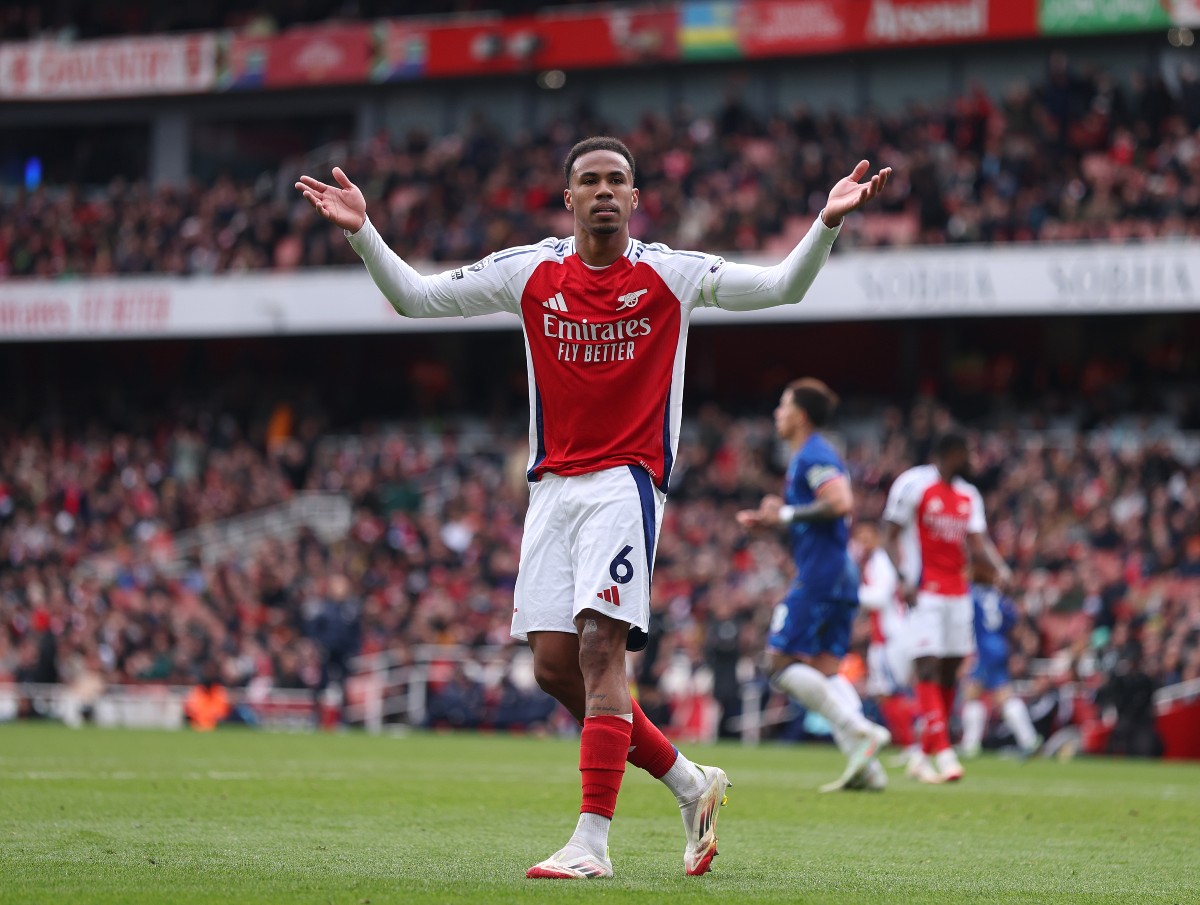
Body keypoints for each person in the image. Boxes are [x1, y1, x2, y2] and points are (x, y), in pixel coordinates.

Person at [297, 137, 890, 879]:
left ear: (636, 199)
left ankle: (592, 842)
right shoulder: (529, 270)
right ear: (569, 197)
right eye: (590, 181)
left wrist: (827, 223)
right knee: (553, 668)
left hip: (626, 482)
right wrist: (362, 231)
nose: (604, 191)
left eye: (618, 181)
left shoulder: (669, 273)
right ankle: (688, 781)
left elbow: (781, 288)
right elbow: (414, 299)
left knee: (599, 650)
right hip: (552, 488)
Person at [737, 379, 891, 793]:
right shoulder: (805, 457)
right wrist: (776, 519)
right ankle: (867, 767)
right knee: (824, 669)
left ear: (800, 415)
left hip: (822, 576)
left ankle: (860, 730)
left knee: (778, 664)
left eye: (783, 406)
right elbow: (815, 517)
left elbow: (840, 503)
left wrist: (784, 515)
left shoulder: (815, 454)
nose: (777, 413)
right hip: (836, 572)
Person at [882, 432, 1012, 784]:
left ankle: (923, 754)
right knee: (927, 666)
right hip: (924, 590)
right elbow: (889, 534)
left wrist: (1000, 569)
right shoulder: (914, 485)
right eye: (965, 453)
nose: (971, 459)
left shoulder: (969, 494)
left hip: (959, 592)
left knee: (950, 671)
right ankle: (944, 751)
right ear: (948, 453)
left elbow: (977, 540)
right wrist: (901, 578)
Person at [853, 520, 920, 766]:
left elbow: (880, 598)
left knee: (892, 692)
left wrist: (852, 592)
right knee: (884, 693)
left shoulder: (880, 562)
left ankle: (915, 744)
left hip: (891, 638)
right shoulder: (875, 562)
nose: (861, 543)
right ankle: (910, 743)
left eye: (865, 537)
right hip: (883, 638)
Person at [960, 583, 1041, 758]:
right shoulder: (997, 597)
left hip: (982, 649)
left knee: (973, 694)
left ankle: (970, 745)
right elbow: (1013, 619)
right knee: (1001, 693)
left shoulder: (971, 594)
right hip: (999, 645)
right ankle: (1029, 740)